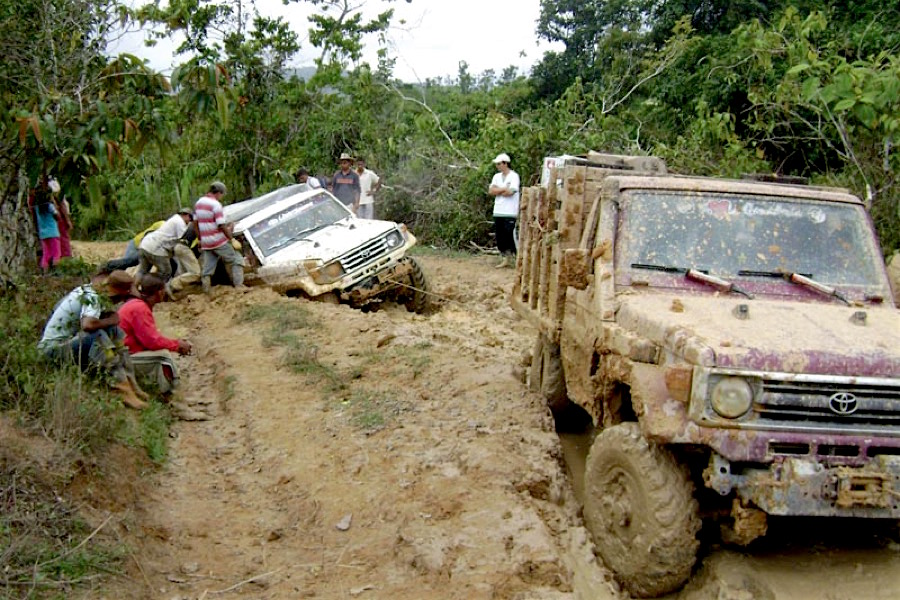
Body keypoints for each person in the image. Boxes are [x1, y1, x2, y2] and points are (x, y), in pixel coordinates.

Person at [38, 270, 148, 409]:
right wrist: (112, 319)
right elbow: (88, 325)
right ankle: (121, 389)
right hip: (53, 350)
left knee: (113, 331)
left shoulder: (89, 290)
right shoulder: (93, 297)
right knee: (98, 335)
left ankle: (129, 381)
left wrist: (110, 321)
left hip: (69, 343)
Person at [118, 274, 192, 395]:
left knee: (161, 353)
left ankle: (160, 391)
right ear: (160, 292)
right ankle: (174, 395)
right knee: (164, 357)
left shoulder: (136, 304)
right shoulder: (140, 308)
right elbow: (152, 342)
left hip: (125, 353)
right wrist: (177, 345)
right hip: (123, 358)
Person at [194, 181, 244, 294]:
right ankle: (239, 286)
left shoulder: (199, 203)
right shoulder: (215, 205)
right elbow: (221, 225)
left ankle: (206, 290)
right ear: (219, 193)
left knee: (208, 268)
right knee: (237, 259)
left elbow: (195, 223)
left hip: (206, 242)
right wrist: (232, 239)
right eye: (222, 195)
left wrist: (200, 239)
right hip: (218, 241)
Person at [136, 208, 193, 281]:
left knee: (142, 271)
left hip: (145, 244)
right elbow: (184, 238)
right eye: (190, 218)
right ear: (186, 215)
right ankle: (155, 286)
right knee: (166, 272)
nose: (189, 221)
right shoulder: (180, 222)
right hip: (157, 248)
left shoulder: (174, 219)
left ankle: (135, 287)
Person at [487, 152, 520, 268]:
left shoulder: (514, 176)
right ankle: (506, 258)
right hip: (498, 210)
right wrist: (503, 189)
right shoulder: (496, 177)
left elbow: (510, 192)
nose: (497, 166)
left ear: (505, 164)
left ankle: (517, 257)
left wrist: (499, 190)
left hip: (510, 211)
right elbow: (491, 191)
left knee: (510, 235)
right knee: (500, 236)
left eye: (499, 164)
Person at [28, 179, 62, 274]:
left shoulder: (37, 207)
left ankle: (44, 272)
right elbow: (57, 217)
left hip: (42, 233)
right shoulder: (49, 206)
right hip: (53, 232)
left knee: (46, 253)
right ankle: (55, 271)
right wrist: (54, 204)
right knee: (56, 253)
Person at [49, 178, 74, 259]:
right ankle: (65, 258)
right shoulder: (53, 183)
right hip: (58, 216)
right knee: (63, 239)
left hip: (52, 217)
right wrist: (67, 219)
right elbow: (61, 203)